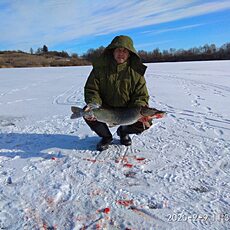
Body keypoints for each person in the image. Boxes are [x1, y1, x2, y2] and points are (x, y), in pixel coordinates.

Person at [84, 35, 152, 151]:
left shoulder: (136, 72)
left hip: (127, 108)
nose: (121, 53)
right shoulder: (100, 69)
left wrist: (140, 108)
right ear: (112, 52)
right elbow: (92, 89)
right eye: (118, 50)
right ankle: (106, 137)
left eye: (125, 51)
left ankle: (123, 131)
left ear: (130, 53)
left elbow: (141, 95)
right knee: (88, 113)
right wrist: (93, 103)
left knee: (146, 121)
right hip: (105, 107)